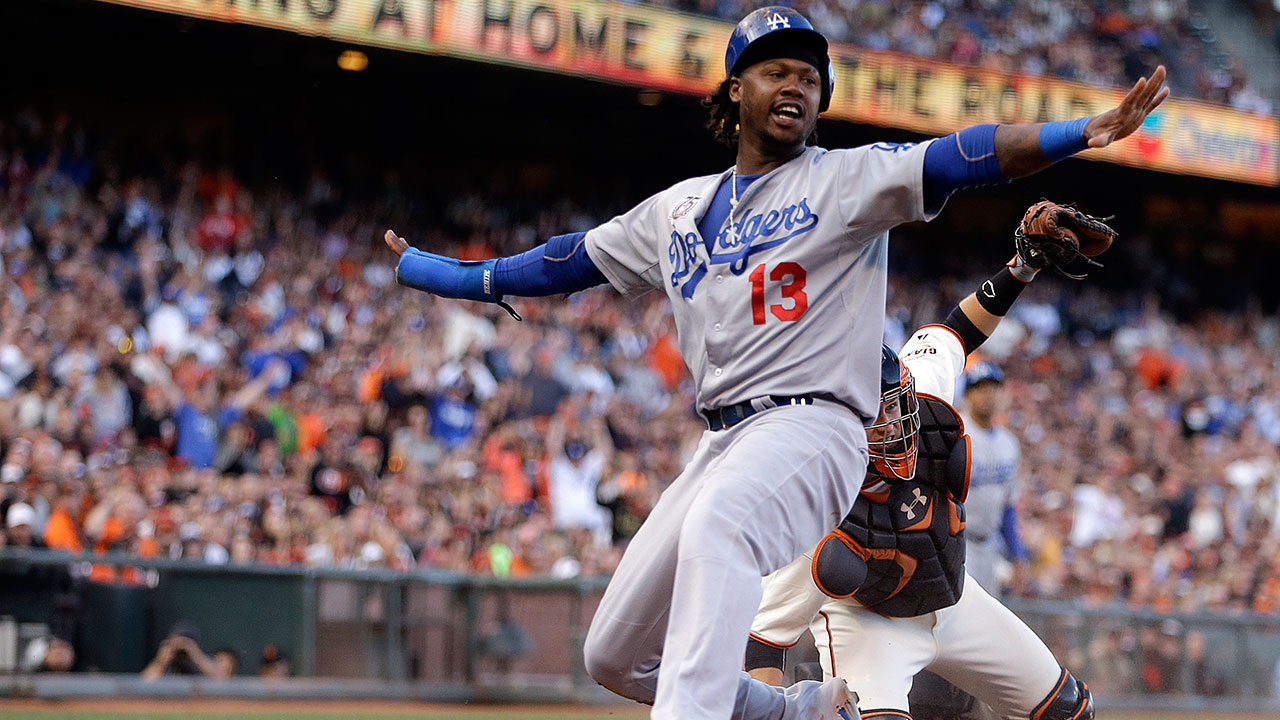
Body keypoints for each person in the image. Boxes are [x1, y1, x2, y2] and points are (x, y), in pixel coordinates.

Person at [382, 6, 1166, 717]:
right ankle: (793, 711)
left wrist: (1078, 133)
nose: (796, 85)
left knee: (721, 530)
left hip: (815, 425)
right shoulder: (678, 210)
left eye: (809, 77)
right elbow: (567, 259)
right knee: (614, 656)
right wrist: (442, 273)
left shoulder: (845, 180)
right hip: (723, 440)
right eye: (776, 71)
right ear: (736, 89)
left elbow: (963, 156)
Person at [745, 205, 1101, 720]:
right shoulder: (815, 502)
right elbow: (763, 641)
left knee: (1068, 711)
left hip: (955, 600)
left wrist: (1022, 265)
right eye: (873, 413)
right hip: (868, 626)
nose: (893, 420)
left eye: (894, 403)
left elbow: (958, 332)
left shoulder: (923, 394)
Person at [957, 362, 1030, 597]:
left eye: (993, 388)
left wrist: (1017, 554)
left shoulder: (1008, 443)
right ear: (968, 394)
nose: (988, 394)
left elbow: (1008, 506)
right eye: (980, 388)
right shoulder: (956, 435)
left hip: (990, 546)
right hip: (958, 542)